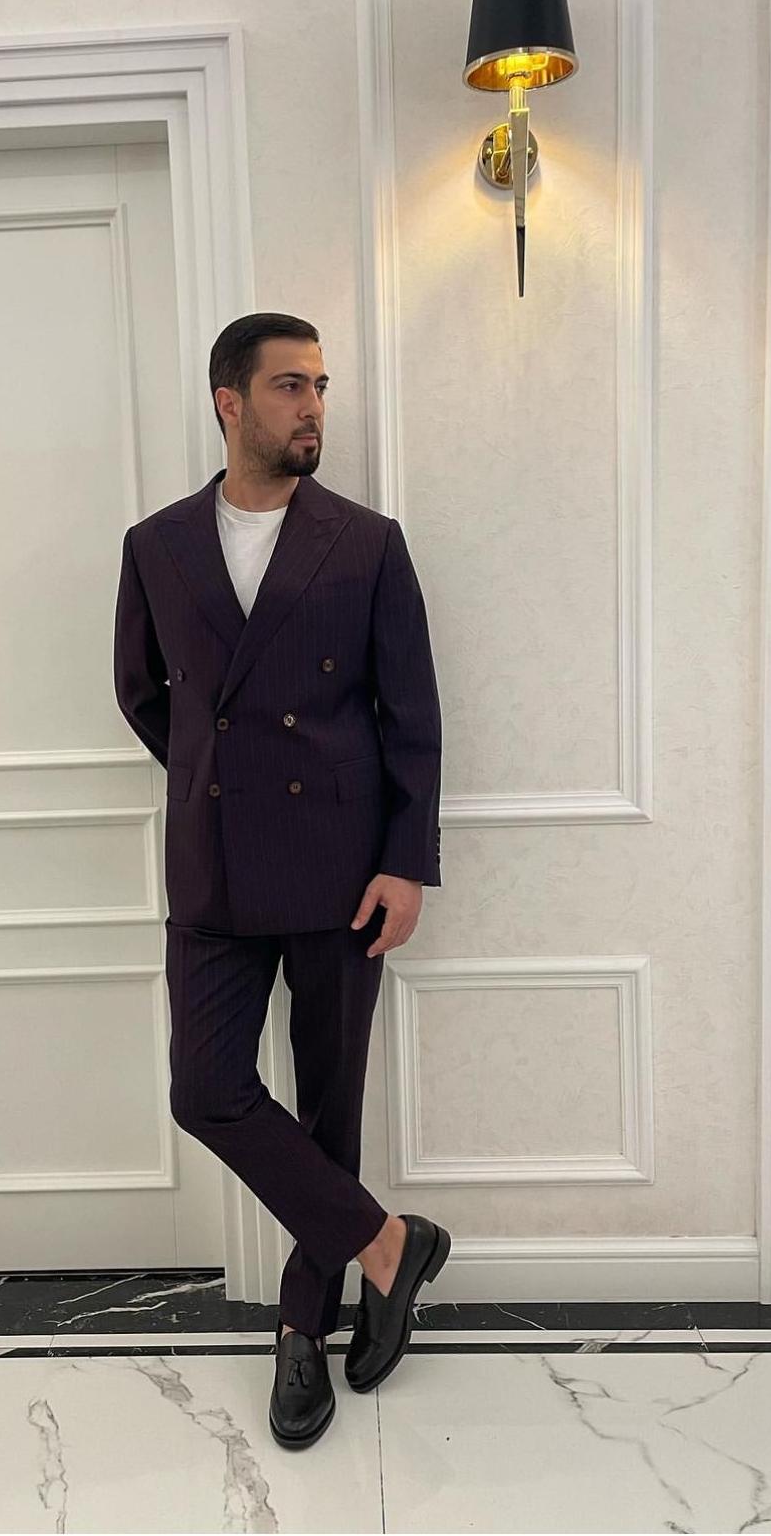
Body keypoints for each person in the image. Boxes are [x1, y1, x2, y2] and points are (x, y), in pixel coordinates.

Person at [113, 311, 450, 1450]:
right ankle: (390, 1246)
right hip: (213, 865)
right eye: (289, 386)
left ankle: (301, 1328)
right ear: (230, 402)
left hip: (342, 869)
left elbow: (411, 718)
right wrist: (220, 778)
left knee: (327, 1107)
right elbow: (144, 695)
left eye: (319, 385)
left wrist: (405, 862)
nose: (313, 407)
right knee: (206, 1088)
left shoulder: (366, 542)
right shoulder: (157, 544)